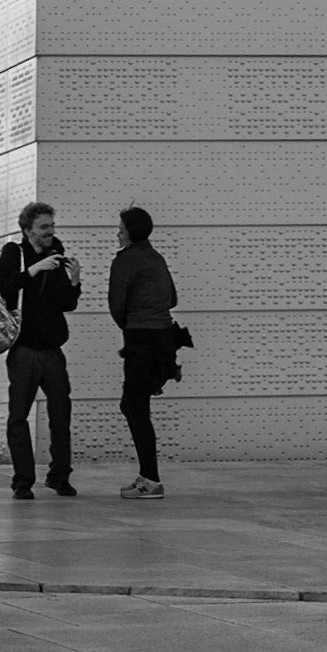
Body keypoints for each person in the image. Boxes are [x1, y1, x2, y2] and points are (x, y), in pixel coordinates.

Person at [0, 202, 82, 500]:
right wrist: (32, 270)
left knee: (61, 414)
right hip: (22, 349)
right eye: (44, 227)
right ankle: (22, 482)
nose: (50, 232)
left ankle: (60, 476)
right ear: (28, 229)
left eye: (52, 226)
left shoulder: (57, 254)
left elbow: (66, 304)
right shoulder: (13, 253)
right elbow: (3, 288)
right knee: (18, 415)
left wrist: (74, 282)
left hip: (52, 349)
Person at [109, 206, 183, 500]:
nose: (117, 233)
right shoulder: (157, 258)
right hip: (165, 339)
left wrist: (130, 326)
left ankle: (151, 480)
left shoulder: (125, 261)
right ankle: (146, 475)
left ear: (130, 232)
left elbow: (116, 304)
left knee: (135, 406)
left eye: (121, 229)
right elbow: (173, 297)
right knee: (132, 405)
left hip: (141, 338)